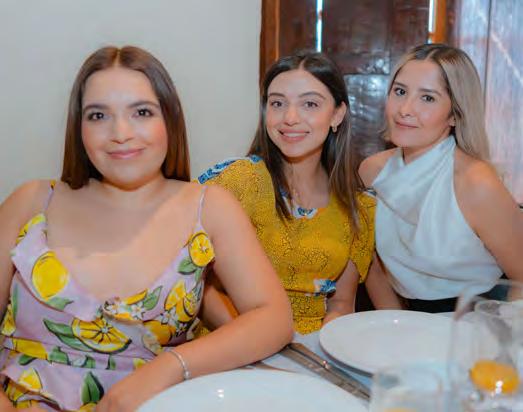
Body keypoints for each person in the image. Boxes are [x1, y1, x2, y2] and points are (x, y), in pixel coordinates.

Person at [0, 46, 293, 411]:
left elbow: (274, 318)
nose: (120, 133)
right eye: (98, 115)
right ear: (79, 128)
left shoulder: (209, 208)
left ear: (169, 119)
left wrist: (170, 367)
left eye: (141, 112)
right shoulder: (30, 203)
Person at [198, 51, 375, 334]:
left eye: (310, 104)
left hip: (314, 347)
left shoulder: (359, 207)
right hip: (234, 339)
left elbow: (341, 304)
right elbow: (198, 285)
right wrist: (261, 340)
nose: (290, 118)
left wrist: (321, 347)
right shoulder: (236, 182)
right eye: (277, 103)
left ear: (337, 114)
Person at [359, 43, 523, 312]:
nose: (405, 109)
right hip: (409, 319)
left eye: (427, 98)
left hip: (480, 319)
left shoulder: (477, 184)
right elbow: (371, 263)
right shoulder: (371, 171)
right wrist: (394, 325)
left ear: (455, 115)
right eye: (400, 92)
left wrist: (494, 333)